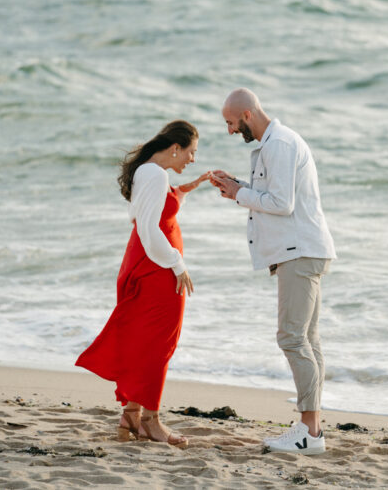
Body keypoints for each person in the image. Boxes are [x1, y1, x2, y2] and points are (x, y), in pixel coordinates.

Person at [209, 89, 335, 455]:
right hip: (305, 249)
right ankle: (312, 429)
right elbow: (275, 197)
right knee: (307, 339)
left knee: (292, 338)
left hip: (300, 251)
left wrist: (238, 194)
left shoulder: (278, 144)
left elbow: (281, 204)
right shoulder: (278, 142)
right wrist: (239, 187)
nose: (230, 131)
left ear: (247, 114)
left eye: (231, 123)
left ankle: (309, 432)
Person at [76, 120, 210, 449]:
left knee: (145, 340)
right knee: (160, 343)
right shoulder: (155, 175)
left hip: (144, 262)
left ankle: (131, 417)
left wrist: (185, 190)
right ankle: (151, 422)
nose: (193, 159)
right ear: (175, 148)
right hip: (155, 268)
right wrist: (178, 264)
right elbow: (150, 229)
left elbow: (153, 214)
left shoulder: (151, 174)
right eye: (191, 152)